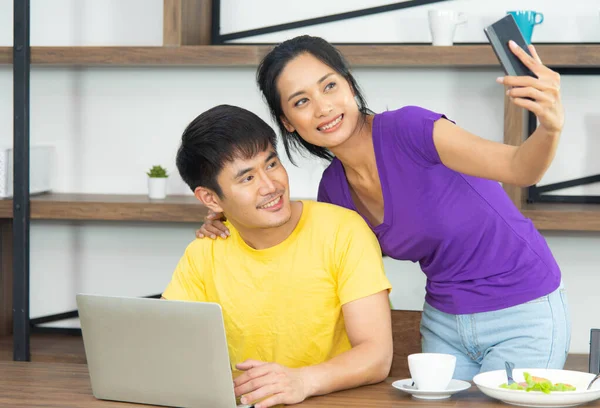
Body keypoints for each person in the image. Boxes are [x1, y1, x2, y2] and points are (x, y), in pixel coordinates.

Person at [196, 35, 571, 381]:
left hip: (523, 309)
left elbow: (520, 168)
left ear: (350, 85)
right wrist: (235, 214)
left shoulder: (410, 129)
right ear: (287, 123)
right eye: (301, 101)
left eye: (329, 86)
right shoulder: (335, 189)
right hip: (444, 322)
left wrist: (550, 127)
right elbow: (315, 247)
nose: (323, 107)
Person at [161, 104, 393, 408]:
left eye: (271, 164)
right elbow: (167, 348)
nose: (271, 187)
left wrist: (302, 381)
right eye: (247, 179)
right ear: (210, 198)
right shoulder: (205, 250)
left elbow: (376, 356)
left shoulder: (344, 231)